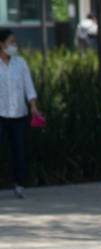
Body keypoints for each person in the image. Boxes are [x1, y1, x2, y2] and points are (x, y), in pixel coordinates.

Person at [0, 30, 42, 199]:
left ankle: (19, 185)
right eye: (11, 42)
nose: (14, 46)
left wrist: (33, 106)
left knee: (19, 151)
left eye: (15, 42)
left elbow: (28, 86)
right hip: (1, 115)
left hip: (19, 115)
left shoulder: (21, 63)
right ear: (1, 44)